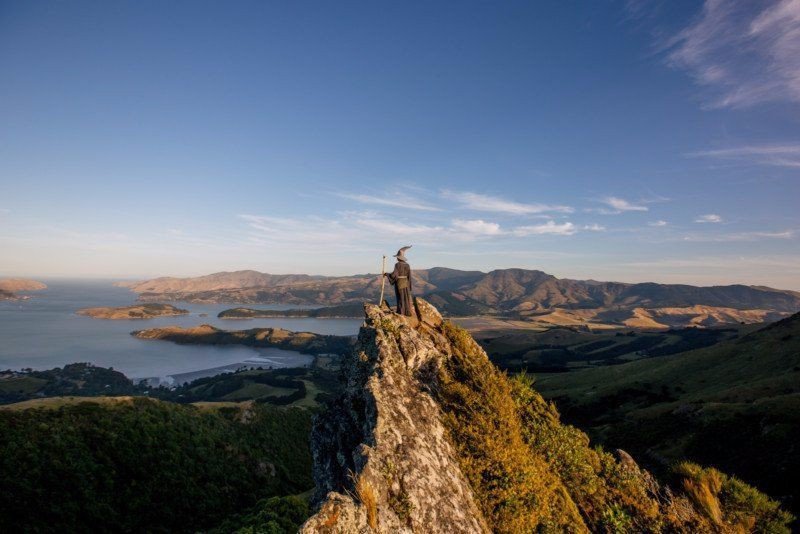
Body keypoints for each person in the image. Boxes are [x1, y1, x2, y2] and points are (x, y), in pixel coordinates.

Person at [384, 245, 414, 316]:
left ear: (398, 258)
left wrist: (387, 274)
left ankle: (401, 311)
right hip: (406, 282)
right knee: (406, 297)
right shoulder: (407, 265)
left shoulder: (397, 265)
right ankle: (407, 312)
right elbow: (409, 276)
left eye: (397, 257)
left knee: (400, 297)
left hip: (399, 283)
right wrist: (409, 285)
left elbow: (394, 275)